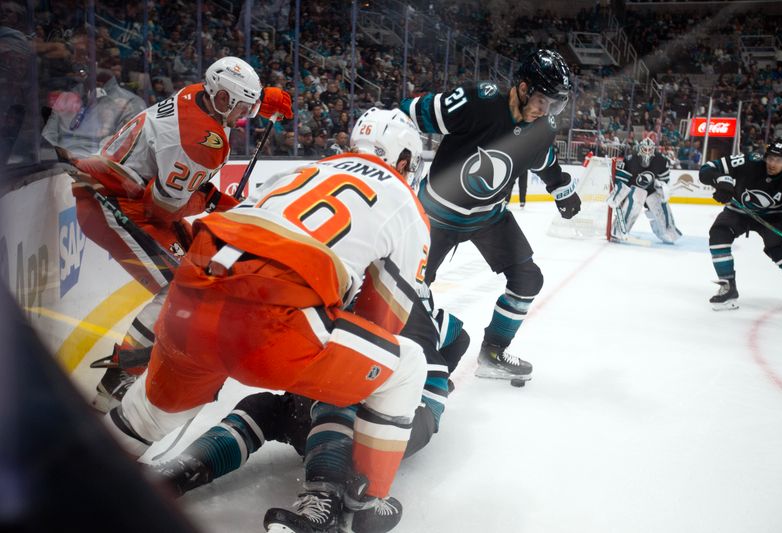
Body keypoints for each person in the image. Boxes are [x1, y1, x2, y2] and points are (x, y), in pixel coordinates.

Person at [105, 108, 430, 532]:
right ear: (404, 160)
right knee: (406, 366)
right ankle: (367, 500)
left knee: (147, 417)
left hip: (195, 288)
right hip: (277, 318)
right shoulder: (405, 202)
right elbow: (382, 320)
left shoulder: (304, 170)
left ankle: (76, 483)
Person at [67, 56, 292, 410]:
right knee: (180, 287)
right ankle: (117, 381)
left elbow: (225, 99)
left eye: (250, 107)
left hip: (127, 192)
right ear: (223, 100)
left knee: (201, 269)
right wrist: (216, 203)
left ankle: (154, 354)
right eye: (243, 108)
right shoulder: (200, 141)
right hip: (111, 202)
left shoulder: (199, 95)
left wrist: (263, 100)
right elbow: (164, 209)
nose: (245, 116)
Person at [156, 288, 468, 533]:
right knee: (269, 406)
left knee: (315, 394)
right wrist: (443, 378)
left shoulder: (358, 294)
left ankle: (326, 503)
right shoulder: (432, 314)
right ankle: (184, 469)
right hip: (410, 423)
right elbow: (461, 337)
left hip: (377, 416)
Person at [399, 49, 580, 382]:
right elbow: (406, 114)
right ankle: (404, 356)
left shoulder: (540, 128)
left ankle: (493, 353)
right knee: (405, 287)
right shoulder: (475, 101)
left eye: (555, 105)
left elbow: (545, 161)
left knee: (528, 280)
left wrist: (561, 189)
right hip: (434, 215)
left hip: (489, 217)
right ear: (523, 88)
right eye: (543, 101)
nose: (546, 112)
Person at [699, 136, 782, 310]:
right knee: (718, 234)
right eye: (770, 158)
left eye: (780, 160)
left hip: (772, 217)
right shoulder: (749, 161)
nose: (773, 164)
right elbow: (707, 169)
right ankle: (728, 287)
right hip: (738, 211)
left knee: (781, 249)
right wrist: (721, 181)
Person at [607, 137, 682, 243]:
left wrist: (661, 187)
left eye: (649, 150)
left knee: (658, 203)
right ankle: (618, 231)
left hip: (651, 190)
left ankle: (667, 232)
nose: (647, 152)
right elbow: (622, 179)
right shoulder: (630, 159)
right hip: (633, 190)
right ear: (639, 149)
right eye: (644, 149)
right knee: (636, 198)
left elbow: (664, 179)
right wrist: (617, 194)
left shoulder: (660, 160)